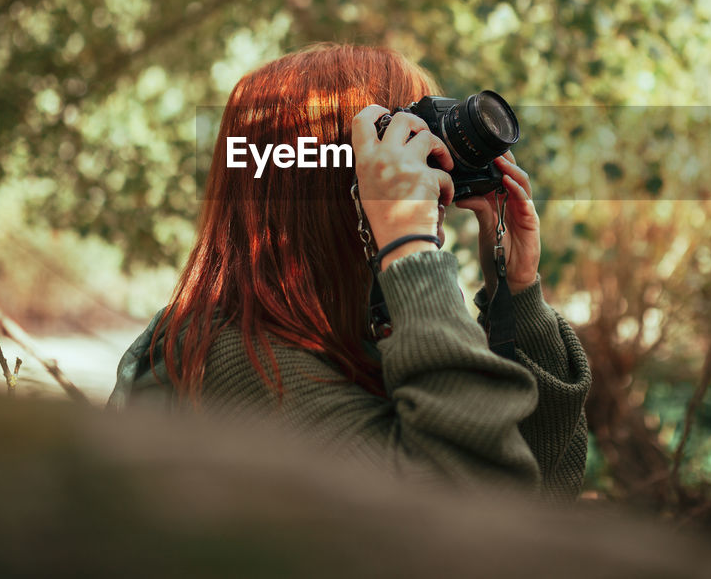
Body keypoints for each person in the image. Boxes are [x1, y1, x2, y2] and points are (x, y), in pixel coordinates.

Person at [108, 43, 591, 500]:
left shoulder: (375, 329)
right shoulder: (239, 359)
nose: (431, 174)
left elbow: (539, 500)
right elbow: (467, 512)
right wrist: (409, 244)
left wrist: (518, 293)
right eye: (406, 145)